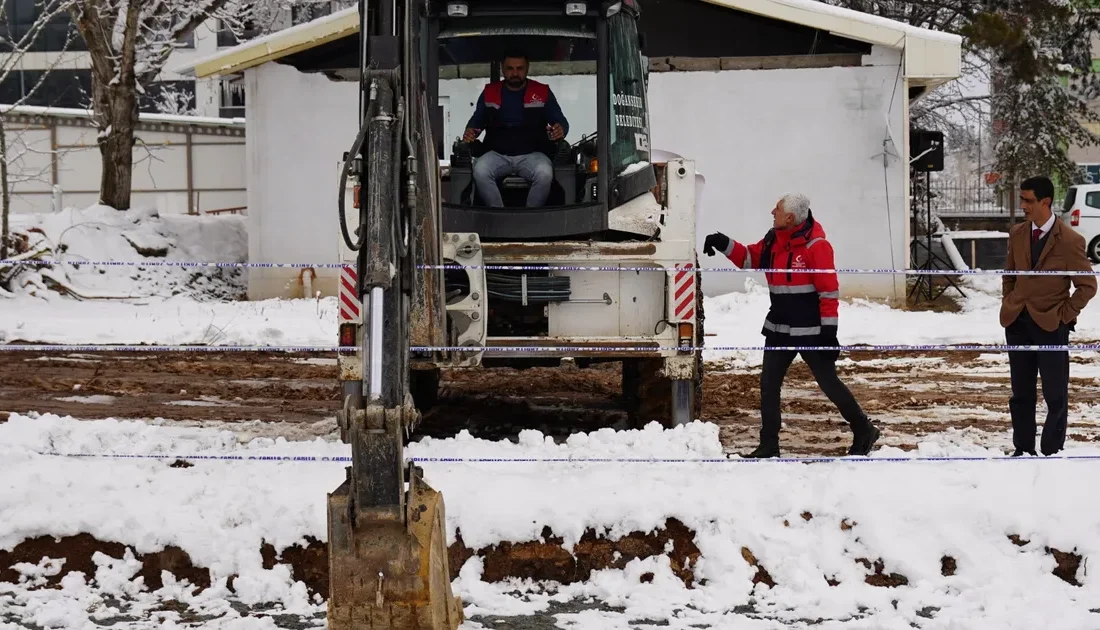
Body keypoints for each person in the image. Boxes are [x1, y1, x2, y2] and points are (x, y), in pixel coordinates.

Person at [702, 193, 880, 459]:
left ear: (791, 217)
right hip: (779, 328)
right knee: (768, 385)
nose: (771, 212)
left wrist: (829, 334)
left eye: (777, 209)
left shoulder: (817, 247)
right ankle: (769, 445)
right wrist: (723, 243)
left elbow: (829, 293)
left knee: (828, 383)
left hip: (811, 332)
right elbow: (750, 258)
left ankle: (864, 429)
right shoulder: (774, 240)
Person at [1001, 176, 1096, 456]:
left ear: (1046, 202)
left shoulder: (1070, 241)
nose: (1023, 206)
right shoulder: (1017, 233)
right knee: (1021, 393)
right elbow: (1009, 275)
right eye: (1022, 199)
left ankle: (1052, 450)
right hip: (1017, 321)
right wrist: (1009, 300)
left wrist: (1064, 316)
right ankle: (1023, 448)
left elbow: (1087, 286)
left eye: (1028, 201)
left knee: (1055, 394)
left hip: (1051, 324)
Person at [463, 52, 569, 208]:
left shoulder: (541, 92)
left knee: (545, 174)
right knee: (480, 171)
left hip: (533, 154)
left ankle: (531, 217)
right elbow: (477, 121)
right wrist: (471, 131)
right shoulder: (490, 92)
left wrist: (561, 128)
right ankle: (498, 216)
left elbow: (560, 121)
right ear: (502, 69)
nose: (514, 73)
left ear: (527, 69)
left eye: (519, 68)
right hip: (497, 153)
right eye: (510, 68)